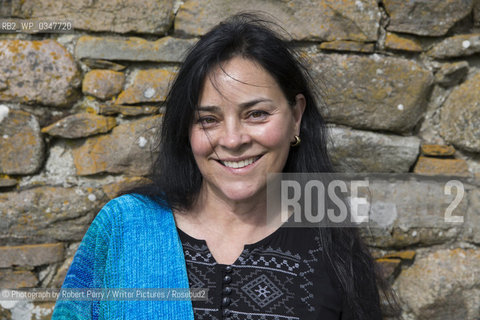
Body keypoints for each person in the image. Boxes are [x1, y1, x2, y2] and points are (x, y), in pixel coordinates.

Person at [52, 13, 397, 320]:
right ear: (185, 129)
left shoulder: (333, 247)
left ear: (296, 117)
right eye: (208, 119)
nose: (232, 140)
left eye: (257, 114)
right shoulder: (125, 230)